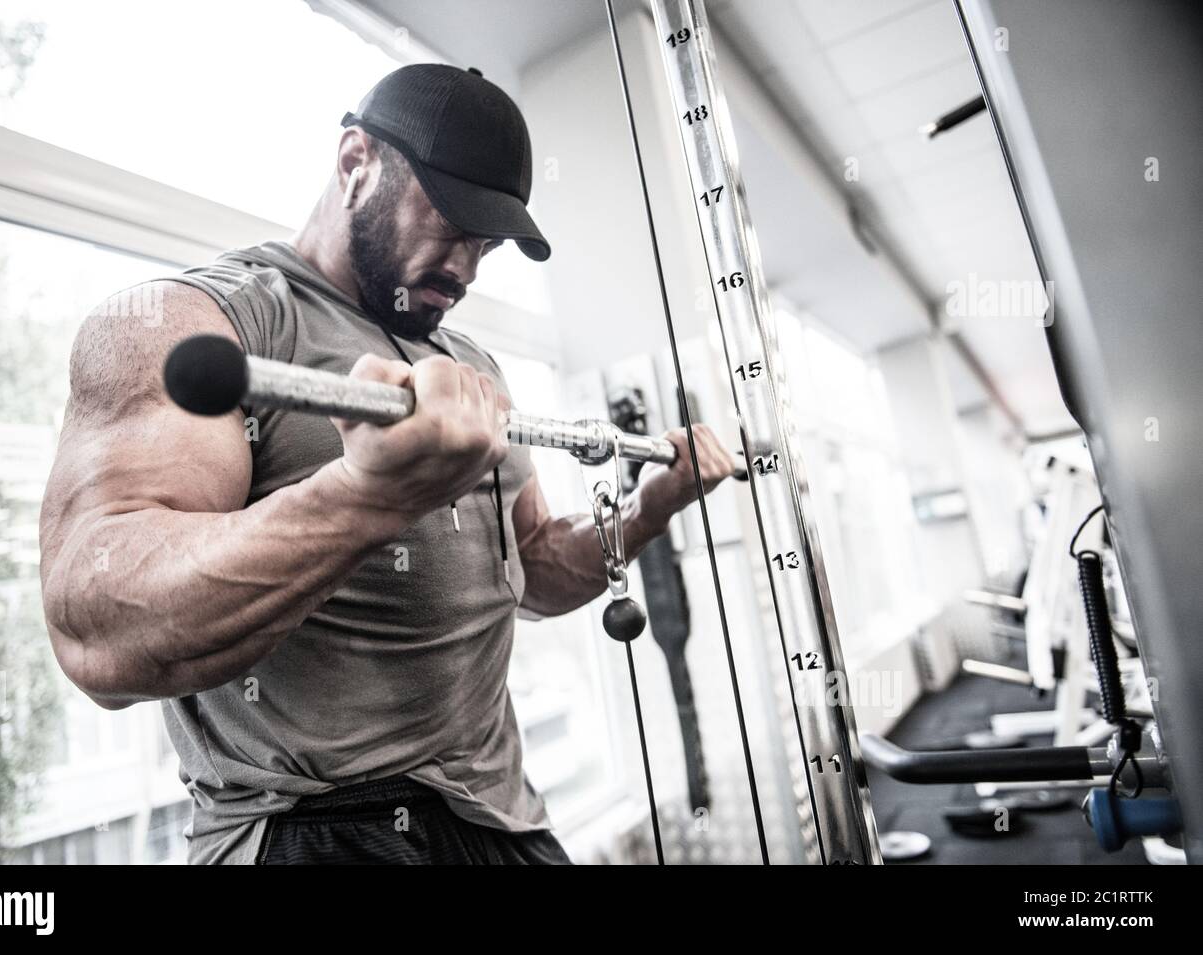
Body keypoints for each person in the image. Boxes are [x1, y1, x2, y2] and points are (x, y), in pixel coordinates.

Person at [39, 64, 734, 864]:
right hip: (310, 827)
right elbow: (96, 629)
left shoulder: (473, 368)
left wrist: (651, 507)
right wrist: (366, 498)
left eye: (488, 243)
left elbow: (533, 571)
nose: (467, 267)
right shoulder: (209, 321)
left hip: (503, 816)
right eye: (450, 222)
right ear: (354, 162)